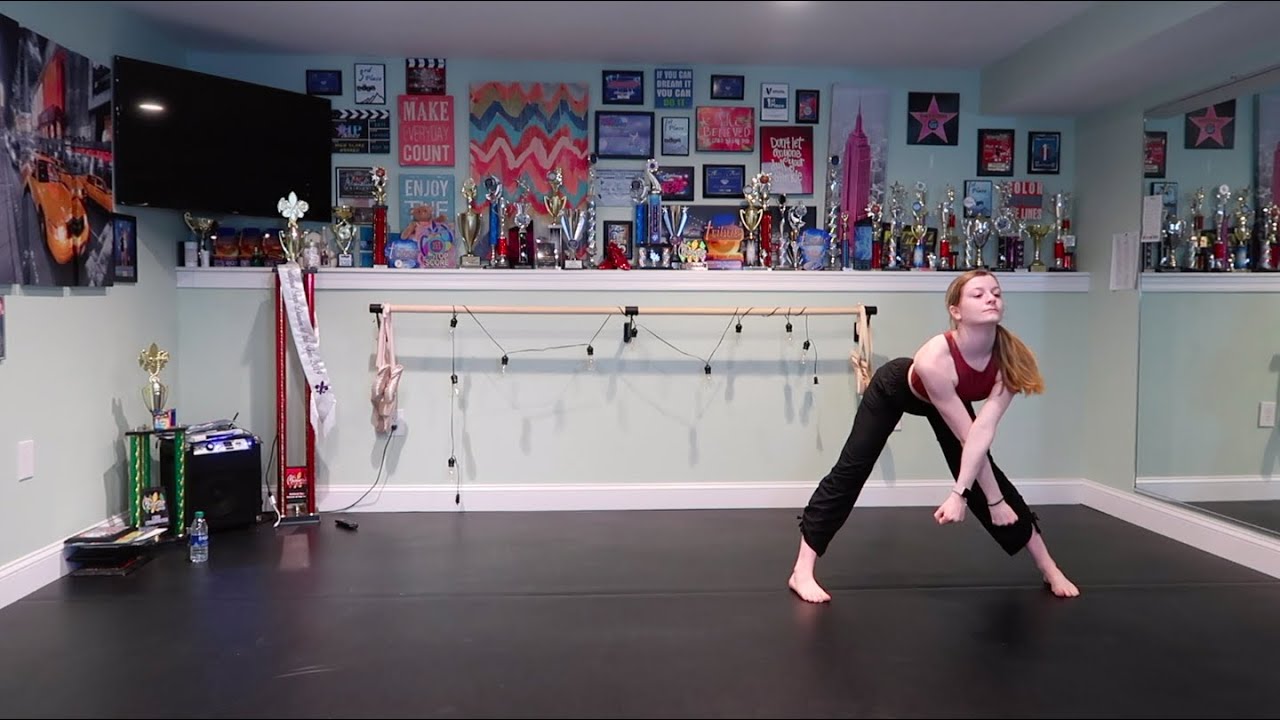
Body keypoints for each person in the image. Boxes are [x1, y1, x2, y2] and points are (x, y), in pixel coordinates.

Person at [788, 269, 1079, 603]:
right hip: (894, 389)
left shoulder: (1011, 360)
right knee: (852, 470)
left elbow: (981, 434)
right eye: (978, 294)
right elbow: (968, 436)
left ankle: (1049, 567)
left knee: (989, 476)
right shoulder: (934, 359)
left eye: (996, 293)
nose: (991, 298)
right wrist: (965, 495)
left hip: (948, 398)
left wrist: (993, 500)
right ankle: (801, 571)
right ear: (956, 311)